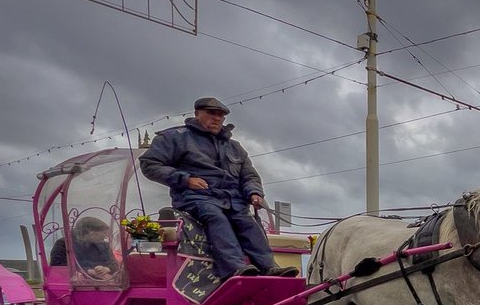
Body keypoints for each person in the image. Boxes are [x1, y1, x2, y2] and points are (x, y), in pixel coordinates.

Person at [139, 96, 298, 284]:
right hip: (196, 198)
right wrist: (186, 179)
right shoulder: (175, 138)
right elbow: (149, 164)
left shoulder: (234, 147)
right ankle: (234, 268)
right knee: (215, 217)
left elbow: (249, 175)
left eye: (221, 116)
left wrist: (254, 193)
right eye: (211, 113)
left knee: (247, 223)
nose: (217, 118)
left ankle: (269, 267)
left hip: (233, 200)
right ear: (197, 113)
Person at [49, 216, 119, 280]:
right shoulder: (64, 244)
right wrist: (88, 271)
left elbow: (114, 264)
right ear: (91, 233)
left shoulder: (103, 245)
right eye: (103, 234)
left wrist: (107, 269)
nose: (106, 237)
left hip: (103, 284)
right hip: (75, 286)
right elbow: (58, 267)